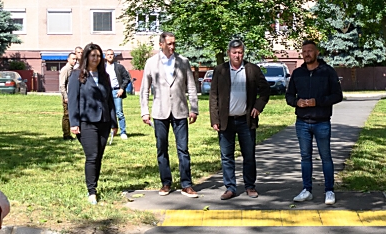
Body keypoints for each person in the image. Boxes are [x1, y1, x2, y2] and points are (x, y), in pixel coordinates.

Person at [139, 31, 200, 198]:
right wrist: (144, 111)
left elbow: (191, 86)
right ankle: (166, 183)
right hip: (160, 112)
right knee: (162, 148)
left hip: (180, 111)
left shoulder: (183, 61)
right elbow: (144, 89)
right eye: (169, 43)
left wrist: (194, 108)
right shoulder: (151, 63)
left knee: (183, 149)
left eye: (174, 43)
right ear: (161, 44)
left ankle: (186, 184)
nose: (172, 46)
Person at [208, 39, 271, 200]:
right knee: (226, 156)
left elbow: (265, 90)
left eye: (240, 52)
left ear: (243, 53)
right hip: (225, 121)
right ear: (229, 53)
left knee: (249, 155)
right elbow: (213, 95)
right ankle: (230, 188)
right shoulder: (220, 70)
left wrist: (258, 106)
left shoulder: (252, 69)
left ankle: (250, 186)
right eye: (234, 52)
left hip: (246, 120)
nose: (237, 55)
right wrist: (214, 118)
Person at [285, 40, 343, 205]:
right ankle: (307, 190)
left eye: (310, 51)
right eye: (304, 51)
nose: (307, 54)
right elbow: (289, 96)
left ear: (317, 52)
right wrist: (297, 102)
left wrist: (317, 102)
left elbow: (337, 95)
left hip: (321, 121)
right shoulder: (298, 73)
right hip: (302, 122)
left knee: (325, 156)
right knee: (305, 157)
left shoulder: (327, 71)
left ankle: (329, 190)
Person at [68, 43, 118, 205]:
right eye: (93, 56)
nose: (96, 59)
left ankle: (94, 184)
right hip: (86, 122)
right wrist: (74, 122)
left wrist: (114, 122)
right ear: (86, 57)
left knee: (99, 157)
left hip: (104, 122)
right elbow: (73, 101)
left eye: (98, 56)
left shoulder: (104, 76)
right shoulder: (77, 75)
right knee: (92, 156)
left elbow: (110, 101)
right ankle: (92, 191)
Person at [104, 49, 131, 140]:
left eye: (111, 54)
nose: (110, 56)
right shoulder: (102, 68)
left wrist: (122, 88)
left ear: (114, 56)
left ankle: (123, 132)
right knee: (107, 113)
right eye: (108, 54)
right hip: (106, 93)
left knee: (119, 112)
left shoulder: (119, 67)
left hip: (116, 92)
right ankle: (109, 131)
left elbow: (127, 78)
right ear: (105, 56)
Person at [59, 52, 78, 140]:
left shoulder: (73, 69)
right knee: (67, 115)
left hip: (72, 95)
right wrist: (65, 97)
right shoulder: (65, 69)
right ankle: (66, 134)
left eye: (76, 59)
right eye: (73, 59)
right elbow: (62, 85)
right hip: (67, 96)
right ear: (68, 59)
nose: (75, 61)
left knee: (72, 114)